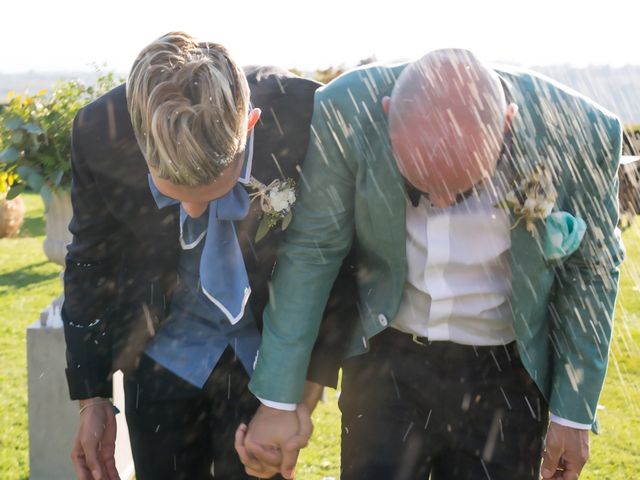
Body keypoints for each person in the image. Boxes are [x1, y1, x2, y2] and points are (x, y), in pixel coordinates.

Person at [239, 49, 624, 479]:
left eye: (462, 188)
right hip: (386, 362)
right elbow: (314, 250)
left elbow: (592, 272)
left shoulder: (579, 132)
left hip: (509, 375)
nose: (440, 204)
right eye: (422, 185)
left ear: (508, 122)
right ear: (387, 115)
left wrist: (572, 418)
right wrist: (278, 401)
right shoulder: (346, 109)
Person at [62, 32, 355, 480]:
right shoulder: (99, 131)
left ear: (250, 124)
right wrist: (93, 397)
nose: (195, 212)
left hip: (268, 355)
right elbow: (89, 260)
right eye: (176, 194)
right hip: (159, 353)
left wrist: (298, 399)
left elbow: (334, 256)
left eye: (212, 191)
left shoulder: (309, 114)